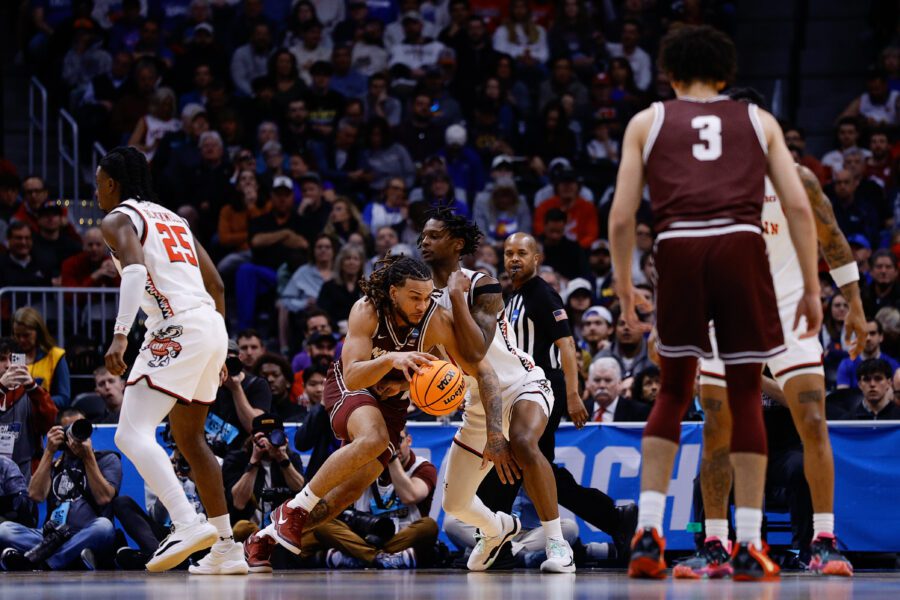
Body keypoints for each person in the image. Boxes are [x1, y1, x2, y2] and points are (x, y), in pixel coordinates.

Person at [609, 26, 821, 581]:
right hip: (741, 244)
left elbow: (622, 215)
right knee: (748, 392)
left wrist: (626, 283)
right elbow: (799, 211)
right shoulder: (758, 120)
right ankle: (751, 544)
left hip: (679, 246)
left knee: (675, 391)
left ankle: (648, 534)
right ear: (727, 75)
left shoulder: (647, 121)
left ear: (670, 74)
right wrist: (813, 289)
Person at [244, 255, 503, 571]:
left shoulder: (435, 320)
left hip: (391, 402)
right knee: (374, 438)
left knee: (344, 494)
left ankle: (263, 538)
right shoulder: (366, 310)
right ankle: (294, 510)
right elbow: (353, 375)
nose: (423, 304)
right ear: (394, 292)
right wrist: (391, 359)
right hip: (351, 384)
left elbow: (485, 372)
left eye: (427, 296)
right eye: (414, 297)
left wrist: (495, 433)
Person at [687, 141, 869, 579]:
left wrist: (856, 306)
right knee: (716, 433)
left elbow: (834, 240)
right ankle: (715, 544)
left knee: (813, 423)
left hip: (790, 313)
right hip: (725, 316)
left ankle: (823, 542)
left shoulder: (798, 179)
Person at [95, 146, 248, 574]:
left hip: (174, 326)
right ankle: (226, 548)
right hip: (210, 327)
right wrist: (221, 345)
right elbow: (216, 283)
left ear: (111, 184)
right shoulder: (173, 219)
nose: (96, 192)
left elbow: (135, 272)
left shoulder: (118, 219)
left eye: (97, 184)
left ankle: (185, 522)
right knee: (191, 440)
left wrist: (120, 334)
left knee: (130, 433)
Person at [419, 212, 576, 573]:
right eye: (423, 236)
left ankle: (557, 544)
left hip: (522, 384)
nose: (424, 242)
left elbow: (475, 351)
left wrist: (456, 298)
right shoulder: (420, 295)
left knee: (522, 442)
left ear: (457, 243)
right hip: (477, 405)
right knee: (454, 505)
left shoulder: (482, 284)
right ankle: (496, 530)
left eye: (434, 235)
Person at [501, 231, 638, 555]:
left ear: (537, 259)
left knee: (528, 460)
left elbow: (567, 345)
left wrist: (573, 396)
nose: (514, 259)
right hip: (522, 390)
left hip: (545, 387)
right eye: (508, 253)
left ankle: (499, 534)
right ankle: (614, 517)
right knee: (536, 466)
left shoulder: (543, 294)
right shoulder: (513, 297)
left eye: (522, 252)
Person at [0, 408, 119, 572]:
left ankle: (41, 561)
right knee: (4, 530)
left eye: (79, 427)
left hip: (85, 534)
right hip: (52, 537)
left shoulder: (107, 459)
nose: (74, 435)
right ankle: (71, 558)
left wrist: (88, 458)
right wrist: (48, 451)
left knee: (104, 527)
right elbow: (35, 495)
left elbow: (104, 498)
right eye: (68, 430)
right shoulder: (54, 464)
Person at [324, 426, 439, 569]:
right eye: (387, 443)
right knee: (323, 524)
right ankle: (380, 558)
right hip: (366, 537)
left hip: (403, 537)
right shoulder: (365, 465)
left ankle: (360, 556)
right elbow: (337, 491)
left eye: (398, 440)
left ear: (409, 441)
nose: (393, 446)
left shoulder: (422, 467)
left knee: (429, 526)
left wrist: (391, 458)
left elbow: (410, 496)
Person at [223, 413, 305, 526]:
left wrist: (282, 459)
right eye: (263, 436)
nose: (268, 441)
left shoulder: (290, 458)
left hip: (283, 526)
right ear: (253, 439)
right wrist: (254, 461)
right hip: (246, 528)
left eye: (274, 435)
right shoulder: (237, 459)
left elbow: (298, 488)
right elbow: (238, 503)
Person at [0, 337, 57, 484]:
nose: (8, 366)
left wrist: (33, 388)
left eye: (13, 359)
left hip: (26, 475)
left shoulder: (34, 394)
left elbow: (49, 424)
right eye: (2, 359)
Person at [208, 341, 272, 457]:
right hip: (210, 457)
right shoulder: (206, 385)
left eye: (229, 360)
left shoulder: (258, 385)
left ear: (240, 358)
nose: (225, 366)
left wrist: (236, 388)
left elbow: (254, 427)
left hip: (243, 457)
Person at [12, 308, 71, 409]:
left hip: (47, 417)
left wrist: (36, 401)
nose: (21, 340)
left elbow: (64, 398)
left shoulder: (55, 355)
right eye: (17, 335)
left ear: (38, 332)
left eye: (26, 335)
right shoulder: (10, 357)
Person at [584, 358, 651, 422]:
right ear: (588, 383)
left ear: (619, 383)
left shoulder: (639, 412)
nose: (602, 385)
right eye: (597, 380)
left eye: (608, 380)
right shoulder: (579, 411)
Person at [835, 320, 898, 388]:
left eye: (872, 333)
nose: (868, 338)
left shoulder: (893, 365)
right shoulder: (846, 365)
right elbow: (842, 396)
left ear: (881, 337)